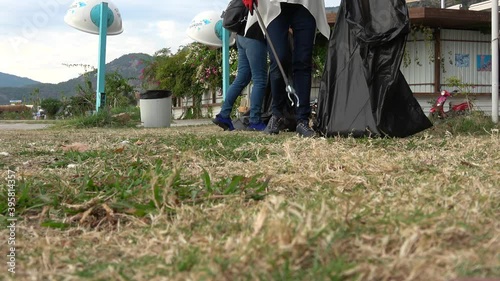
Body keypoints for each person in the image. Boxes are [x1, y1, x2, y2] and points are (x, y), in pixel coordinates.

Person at [242, 0, 330, 137]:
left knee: (303, 61)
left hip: (306, 4)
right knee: (279, 58)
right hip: (273, 4)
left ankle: (302, 120)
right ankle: (276, 114)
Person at [212, 14, 268, 131]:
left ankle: (224, 115)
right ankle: (255, 121)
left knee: (242, 78)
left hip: (241, 36)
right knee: (260, 79)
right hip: (255, 35)